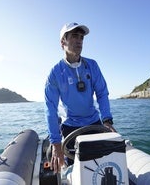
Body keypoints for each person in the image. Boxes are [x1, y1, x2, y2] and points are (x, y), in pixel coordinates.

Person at [44, 22, 116, 173]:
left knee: (101, 167)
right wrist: (56, 143)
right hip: (70, 127)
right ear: (63, 42)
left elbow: (102, 93)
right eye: (74, 36)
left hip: (94, 122)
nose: (79, 40)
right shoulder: (55, 73)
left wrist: (107, 120)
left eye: (81, 37)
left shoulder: (92, 65)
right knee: (76, 171)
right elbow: (50, 108)